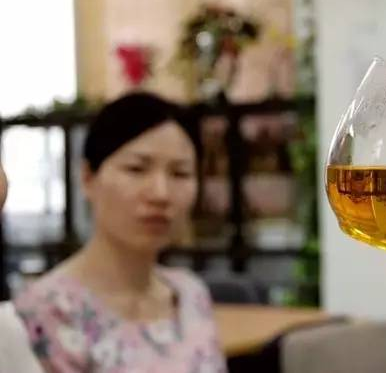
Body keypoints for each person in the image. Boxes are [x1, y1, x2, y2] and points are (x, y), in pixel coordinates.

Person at [12, 93, 227, 372]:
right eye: (136, 169)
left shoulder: (191, 295)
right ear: (88, 177)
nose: (161, 194)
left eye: (180, 173)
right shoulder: (47, 311)